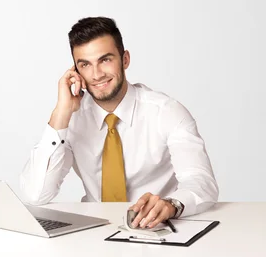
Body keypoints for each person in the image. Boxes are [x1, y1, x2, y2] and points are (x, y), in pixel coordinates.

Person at [19, 17, 218, 229]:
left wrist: (172, 204)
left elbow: (201, 182)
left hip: (156, 230)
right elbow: (35, 195)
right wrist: (61, 112)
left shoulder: (166, 112)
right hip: (94, 231)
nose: (96, 75)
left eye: (105, 60)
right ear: (76, 72)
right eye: (85, 64)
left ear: (125, 60)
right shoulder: (72, 118)